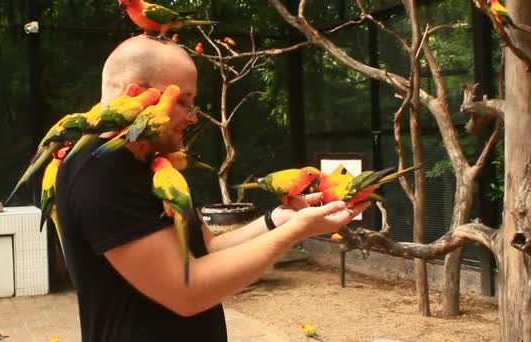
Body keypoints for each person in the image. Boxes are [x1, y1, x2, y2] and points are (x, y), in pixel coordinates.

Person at [55, 35, 370, 342]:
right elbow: (186, 292)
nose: (192, 118)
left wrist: (277, 220)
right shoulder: (102, 172)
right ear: (136, 94)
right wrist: (295, 233)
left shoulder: (150, 163)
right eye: (182, 101)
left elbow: (209, 249)